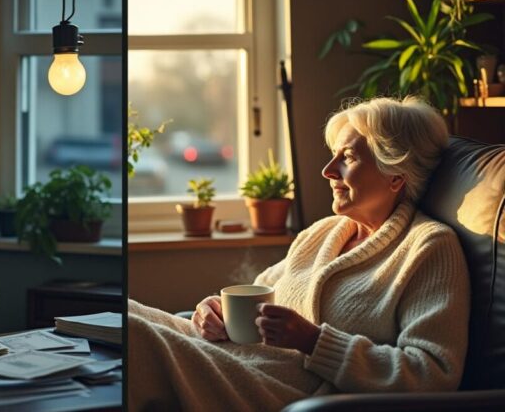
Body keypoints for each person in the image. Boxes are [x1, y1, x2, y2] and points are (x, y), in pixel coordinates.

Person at [128, 97, 470, 411]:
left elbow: (432, 373)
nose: (328, 170)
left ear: (395, 175)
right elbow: (258, 299)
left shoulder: (430, 248)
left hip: (289, 392)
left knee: (136, 336)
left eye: (347, 158)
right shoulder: (323, 233)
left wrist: (314, 341)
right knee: (124, 312)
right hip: (242, 359)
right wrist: (213, 312)